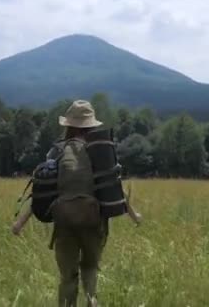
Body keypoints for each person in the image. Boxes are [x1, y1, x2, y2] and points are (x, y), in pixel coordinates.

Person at [11, 100, 141, 307]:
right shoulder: (99, 153)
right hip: (93, 220)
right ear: (91, 127)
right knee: (89, 270)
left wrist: (19, 224)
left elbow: (41, 189)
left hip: (64, 221)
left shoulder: (57, 151)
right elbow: (113, 185)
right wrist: (134, 215)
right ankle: (92, 300)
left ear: (69, 126)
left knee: (67, 277)